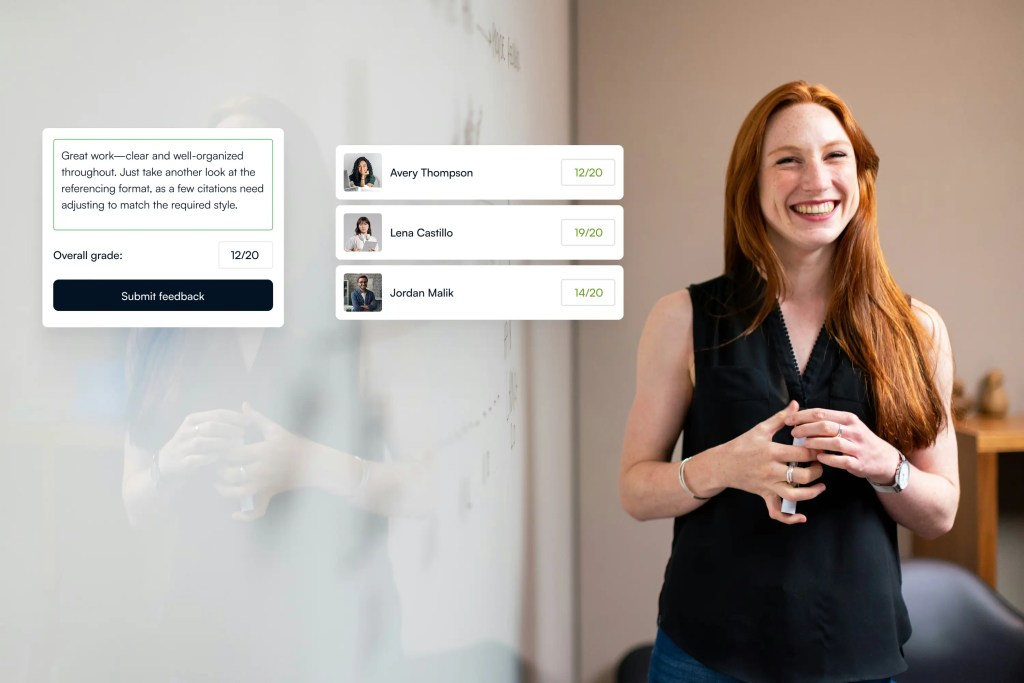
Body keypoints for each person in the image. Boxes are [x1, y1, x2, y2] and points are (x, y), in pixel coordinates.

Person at [619, 82, 958, 683]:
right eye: (787, 160)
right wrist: (723, 466)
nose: (816, 180)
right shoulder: (683, 318)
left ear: (861, 176)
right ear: (751, 183)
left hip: (856, 658)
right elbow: (636, 490)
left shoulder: (918, 329)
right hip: (705, 657)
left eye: (835, 156)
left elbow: (940, 512)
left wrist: (886, 465)